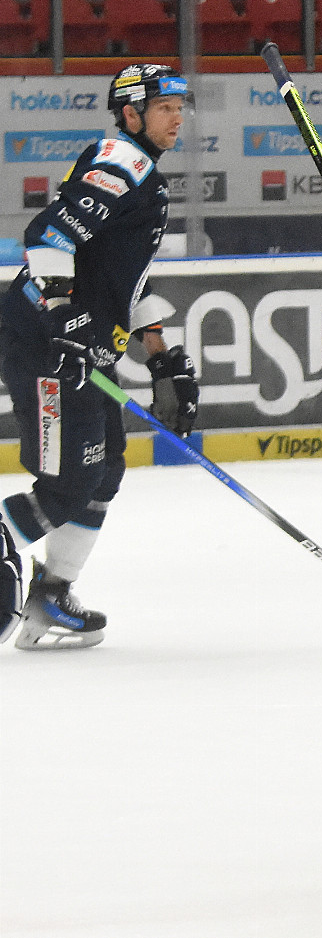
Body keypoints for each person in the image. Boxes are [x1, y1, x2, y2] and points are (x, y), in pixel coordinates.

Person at [1, 66, 199, 651]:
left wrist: (160, 358)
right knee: (70, 482)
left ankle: (51, 596)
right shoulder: (123, 163)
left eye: (180, 107)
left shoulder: (142, 174)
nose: (177, 117)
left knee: (103, 471)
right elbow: (47, 238)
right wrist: (65, 317)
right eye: (164, 108)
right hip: (48, 344)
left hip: (77, 347)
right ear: (131, 114)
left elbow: (124, 282)